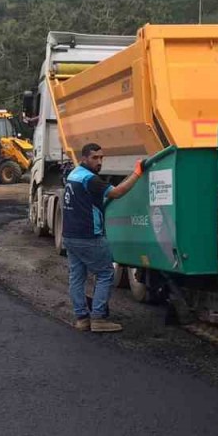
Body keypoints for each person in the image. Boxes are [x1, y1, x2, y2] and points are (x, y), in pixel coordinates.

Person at [63, 143, 144, 333]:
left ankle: (82, 318)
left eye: (101, 158)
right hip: (88, 236)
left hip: (70, 235)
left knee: (77, 277)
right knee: (106, 273)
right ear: (84, 159)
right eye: (95, 158)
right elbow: (116, 193)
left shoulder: (73, 174)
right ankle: (98, 318)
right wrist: (137, 173)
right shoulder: (90, 179)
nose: (99, 162)